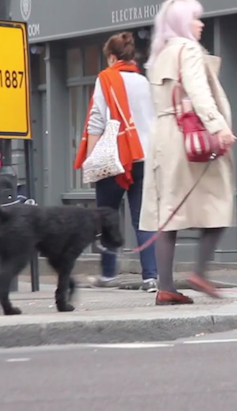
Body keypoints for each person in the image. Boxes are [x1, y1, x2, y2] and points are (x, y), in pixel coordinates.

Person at [140, 0, 237, 305]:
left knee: (168, 212)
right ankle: (200, 273)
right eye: (195, 18)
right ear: (183, 23)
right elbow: (198, 93)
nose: (201, 23)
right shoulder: (188, 50)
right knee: (221, 202)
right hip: (190, 135)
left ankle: (165, 287)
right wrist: (219, 127)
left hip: (164, 138)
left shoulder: (160, 55)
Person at [75, 32, 159, 293]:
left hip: (114, 157)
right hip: (143, 156)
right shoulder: (146, 82)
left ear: (112, 56)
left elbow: (96, 122)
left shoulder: (106, 78)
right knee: (142, 218)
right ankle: (151, 276)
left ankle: (109, 273)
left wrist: (91, 160)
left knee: (107, 216)